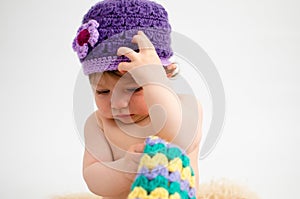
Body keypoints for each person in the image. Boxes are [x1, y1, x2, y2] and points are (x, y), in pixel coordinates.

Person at [72, 0, 203, 198]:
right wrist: (125, 168)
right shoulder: (98, 124)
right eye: (103, 92)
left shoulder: (187, 107)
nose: (118, 103)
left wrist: (153, 79)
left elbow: (177, 136)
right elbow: (92, 176)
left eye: (134, 89)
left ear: (165, 75)